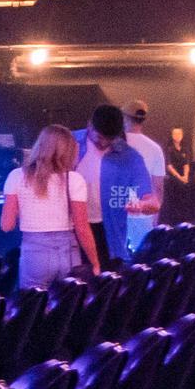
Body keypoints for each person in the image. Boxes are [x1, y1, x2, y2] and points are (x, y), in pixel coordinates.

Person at [1, 124, 101, 289]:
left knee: (33, 307)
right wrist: (95, 263)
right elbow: (82, 227)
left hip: (35, 253)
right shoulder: (75, 180)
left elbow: (6, 225)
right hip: (68, 253)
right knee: (67, 308)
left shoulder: (16, 176)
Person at [75, 104, 158, 266]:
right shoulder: (69, 143)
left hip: (108, 234)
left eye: (110, 139)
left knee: (105, 285)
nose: (104, 143)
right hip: (71, 230)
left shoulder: (130, 156)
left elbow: (153, 203)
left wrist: (141, 205)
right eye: (99, 137)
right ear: (89, 125)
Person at [122, 100, 168, 245]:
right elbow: (158, 187)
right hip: (143, 215)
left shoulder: (112, 145)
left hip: (115, 214)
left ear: (124, 117)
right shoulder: (155, 148)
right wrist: (154, 215)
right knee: (139, 261)